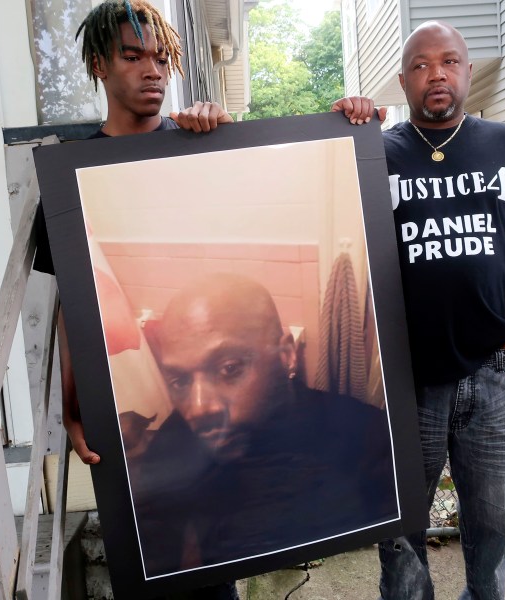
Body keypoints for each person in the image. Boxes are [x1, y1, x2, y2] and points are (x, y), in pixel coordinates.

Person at [332, 20, 505, 600]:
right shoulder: (372, 154)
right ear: (402, 80)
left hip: (494, 378)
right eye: (420, 64)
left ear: (466, 70)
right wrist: (341, 129)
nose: (435, 73)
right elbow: (328, 228)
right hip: (405, 381)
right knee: (401, 533)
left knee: (496, 530)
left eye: (449, 61)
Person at [31, 2, 233, 598]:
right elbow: (74, 300)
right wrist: (73, 403)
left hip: (199, 400)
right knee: (148, 560)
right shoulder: (70, 179)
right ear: (100, 64)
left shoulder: (202, 149)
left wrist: (225, 134)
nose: (153, 71)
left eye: (162, 58)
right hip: (129, 407)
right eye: (132, 55)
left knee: (216, 564)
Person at [126, 274, 397, 576]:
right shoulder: (172, 446)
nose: (198, 408)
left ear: (287, 356)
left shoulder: (368, 439)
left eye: (229, 368)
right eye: (180, 380)